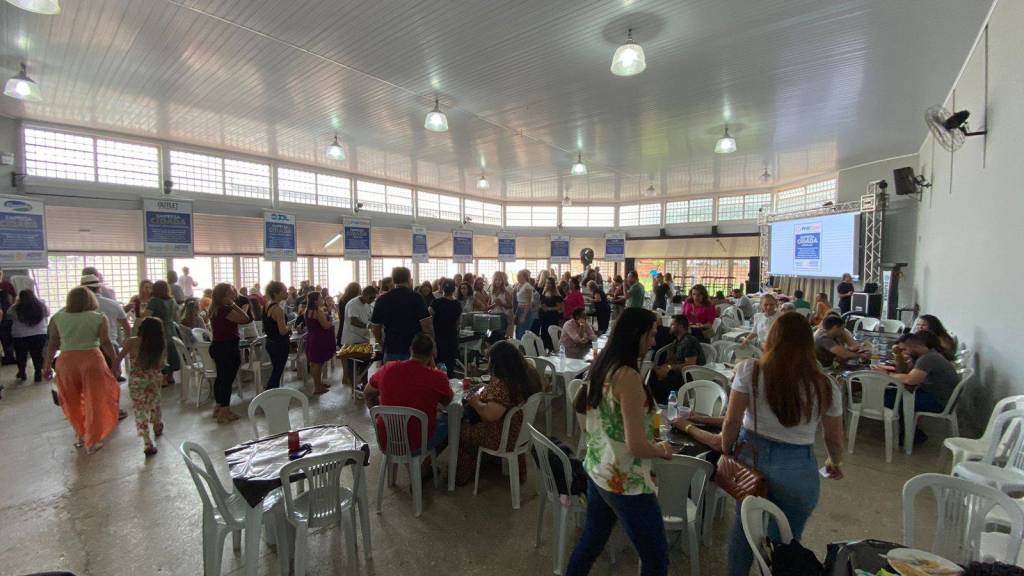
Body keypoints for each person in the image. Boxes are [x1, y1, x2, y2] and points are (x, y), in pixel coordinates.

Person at [673, 312, 846, 576]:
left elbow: (732, 421)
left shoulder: (751, 371)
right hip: (798, 468)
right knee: (786, 541)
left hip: (752, 459)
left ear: (772, 338)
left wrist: (726, 448)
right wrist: (835, 461)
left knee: (744, 531)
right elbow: (833, 437)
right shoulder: (826, 385)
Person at [566, 307, 672, 575]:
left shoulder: (602, 365)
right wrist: (661, 449)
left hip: (599, 469)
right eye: (651, 335)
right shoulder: (628, 377)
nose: (653, 342)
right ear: (636, 335)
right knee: (656, 558)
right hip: (626, 481)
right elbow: (636, 446)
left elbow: (586, 415)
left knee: (591, 542)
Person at [43, 287, 122, 453]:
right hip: (92, 360)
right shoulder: (99, 317)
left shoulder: (58, 318)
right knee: (95, 400)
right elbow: (106, 342)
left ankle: (80, 434)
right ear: (91, 300)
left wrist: (47, 365)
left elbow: (53, 344)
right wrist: (115, 362)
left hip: (66, 362)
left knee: (71, 401)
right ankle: (92, 441)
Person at [455, 340, 541, 485]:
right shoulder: (527, 374)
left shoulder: (502, 385)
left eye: (489, 361)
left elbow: (490, 415)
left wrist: (475, 402)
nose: (488, 365)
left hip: (502, 437)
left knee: (461, 429)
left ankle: (460, 476)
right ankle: (492, 462)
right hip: (521, 431)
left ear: (497, 363)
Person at [364, 334, 454, 455]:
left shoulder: (388, 368)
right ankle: (425, 462)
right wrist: (434, 369)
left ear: (410, 349)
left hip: (386, 440)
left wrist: (379, 416)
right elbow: (447, 401)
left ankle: (415, 461)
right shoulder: (437, 377)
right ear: (431, 354)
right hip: (417, 443)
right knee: (450, 419)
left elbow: (367, 393)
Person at [884, 331, 961, 443]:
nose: (904, 353)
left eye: (904, 349)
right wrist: (898, 355)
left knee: (890, 399)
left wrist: (887, 374)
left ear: (914, 346)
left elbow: (910, 379)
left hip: (939, 401)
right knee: (892, 394)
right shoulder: (923, 356)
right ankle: (909, 431)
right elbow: (904, 371)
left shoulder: (928, 358)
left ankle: (911, 435)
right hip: (936, 395)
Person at [118, 317, 165, 457]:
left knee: (139, 409)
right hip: (153, 379)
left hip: (137, 381)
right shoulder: (160, 344)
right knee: (155, 403)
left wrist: (114, 372)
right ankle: (157, 424)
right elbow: (161, 364)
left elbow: (118, 359)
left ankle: (147, 441)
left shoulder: (131, 342)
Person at [370, 267, 433, 363]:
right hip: (415, 350)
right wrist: (431, 346)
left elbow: (375, 328)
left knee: (392, 373)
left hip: (391, 348)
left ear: (393, 280)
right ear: (409, 279)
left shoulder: (382, 299)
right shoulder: (417, 298)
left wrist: (382, 344)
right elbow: (427, 326)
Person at [208, 283, 250, 423]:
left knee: (221, 378)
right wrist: (233, 305)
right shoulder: (224, 309)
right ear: (224, 295)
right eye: (231, 292)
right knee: (226, 380)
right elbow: (245, 318)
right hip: (227, 347)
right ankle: (224, 411)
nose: (234, 294)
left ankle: (219, 406)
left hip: (219, 346)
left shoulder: (215, 308)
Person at [650, 314, 706, 404]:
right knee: (652, 375)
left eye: (672, 324)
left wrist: (669, 368)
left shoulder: (689, 341)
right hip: (680, 371)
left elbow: (690, 365)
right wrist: (662, 368)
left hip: (691, 375)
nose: (670, 326)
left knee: (662, 385)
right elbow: (673, 360)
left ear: (680, 326)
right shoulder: (677, 341)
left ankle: (665, 406)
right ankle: (655, 404)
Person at [141, 280, 180, 386]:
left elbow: (146, 315)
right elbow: (177, 317)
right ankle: (171, 376)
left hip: (159, 329)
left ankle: (163, 378)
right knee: (171, 352)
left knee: (160, 352)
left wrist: (141, 313)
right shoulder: (172, 300)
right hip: (172, 329)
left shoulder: (154, 301)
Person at [339, 285, 377, 388]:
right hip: (352, 339)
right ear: (364, 294)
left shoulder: (367, 304)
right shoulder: (353, 304)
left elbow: (369, 317)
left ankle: (364, 384)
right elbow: (353, 320)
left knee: (365, 363)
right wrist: (368, 325)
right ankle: (354, 388)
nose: (372, 300)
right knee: (353, 365)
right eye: (371, 297)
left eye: (374, 298)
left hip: (364, 338)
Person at [8, 289, 49, 382]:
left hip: (20, 335)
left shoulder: (14, 308)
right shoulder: (41, 304)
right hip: (39, 334)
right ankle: (38, 373)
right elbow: (47, 314)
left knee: (21, 355)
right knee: (37, 355)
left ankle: (22, 372)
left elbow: (8, 316)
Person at [302, 291, 335, 395]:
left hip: (312, 337)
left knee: (315, 363)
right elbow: (325, 325)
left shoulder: (308, 310)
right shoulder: (318, 311)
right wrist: (331, 320)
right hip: (319, 339)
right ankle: (317, 387)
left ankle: (319, 383)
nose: (322, 299)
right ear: (315, 301)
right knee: (317, 363)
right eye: (320, 298)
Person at [261, 281, 291, 390]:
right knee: (277, 372)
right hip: (280, 344)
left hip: (270, 343)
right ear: (276, 293)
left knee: (276, 370)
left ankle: (272, 391)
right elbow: (282, 331)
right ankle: (270, 392)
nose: (287, 293)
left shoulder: (267, 305)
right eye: (284, 291)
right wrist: (289, 327)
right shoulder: (278, 309)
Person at [429, 280, 461, 377]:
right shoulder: (457, 304)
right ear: (454, 289)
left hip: (438, 338)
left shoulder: (436, 303)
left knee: (437, 366)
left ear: (442, 289)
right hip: (451, 338)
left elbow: (428, 320)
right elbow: (458, 323)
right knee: (450, 366)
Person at [538, 277, 563, 350]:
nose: (547, 284)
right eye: (546, 283)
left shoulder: (556, 295)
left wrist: (549, 309)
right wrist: (541, 306)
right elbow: (541, 302)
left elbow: (559, 307)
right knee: (544, 333)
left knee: (551, 333)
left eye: (549, 283)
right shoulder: (544, 293)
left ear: (553, 284)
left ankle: (552, 349)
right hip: (544, 316)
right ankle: (545, 349)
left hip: (552, 317)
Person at [489, 271, 515, 338]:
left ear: (502, 281)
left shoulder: (505, 292)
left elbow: (510, 306)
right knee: (492, 335)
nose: (497, 282)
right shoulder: (491, 292)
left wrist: (501, 304)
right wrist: (494, 305)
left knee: (500, 335)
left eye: (499, 280)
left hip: (502, 316)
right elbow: (488, 306)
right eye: (496, 280)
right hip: (492, 315)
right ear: (493, 281)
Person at [514, 269, 537, 340]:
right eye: (517, 276)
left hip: (526, 310)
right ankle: (518, 345)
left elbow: (529, 302)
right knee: (518, 331)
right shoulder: (519, 286)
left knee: (522, 331)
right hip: (520, 309)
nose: (518, 277)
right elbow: (519, 302)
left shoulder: (527, 286)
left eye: (519, 276)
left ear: (525, 277)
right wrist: (516, 313)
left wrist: (524, 315)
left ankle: (523, 346)